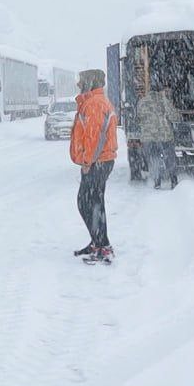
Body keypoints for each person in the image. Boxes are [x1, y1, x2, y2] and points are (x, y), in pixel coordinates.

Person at [70, 69, 118, 263]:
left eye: (81, 82)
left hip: (97, 161)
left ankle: (102, 247)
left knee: (87, 202)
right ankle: (98, 242)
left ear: (89, 82)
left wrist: (88, 161)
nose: (79, 85)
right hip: (99, 160)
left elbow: (95, 137)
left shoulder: (95, 103)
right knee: (93, 202)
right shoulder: (93, 101)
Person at [136, 88, 179, 189]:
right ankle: (173, 180)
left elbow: (139, 118)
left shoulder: (142, 102)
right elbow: (173, 116)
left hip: (148, 137)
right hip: (164, 136)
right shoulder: (164, 101)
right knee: (169, 158)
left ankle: (157, 181)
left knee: (154, 158)